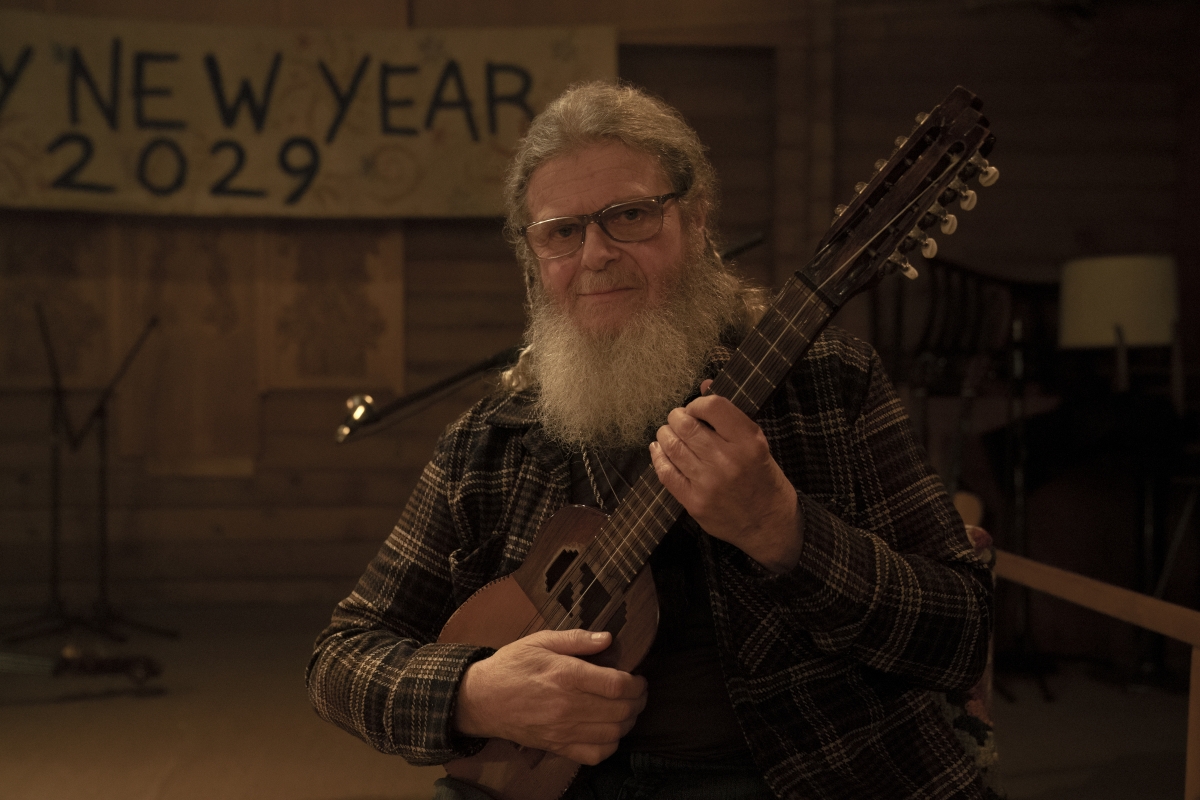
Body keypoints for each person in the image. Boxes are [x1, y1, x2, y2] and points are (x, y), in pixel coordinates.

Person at [307, 80, 995, 800]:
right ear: (533, 257)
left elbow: (962, 634)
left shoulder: (830, 385)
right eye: (561, 232)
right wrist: (474, 694)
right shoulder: (487, 445)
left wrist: (785, 531)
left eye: (630, 215)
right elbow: (339, 659)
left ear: (695, 222)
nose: (596, 254)